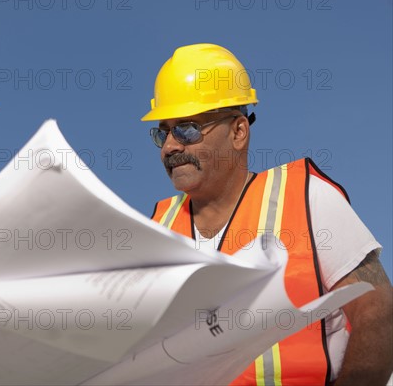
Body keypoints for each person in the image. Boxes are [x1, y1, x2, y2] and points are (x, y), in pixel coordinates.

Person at [142, 44, 392, 385]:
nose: (171, 146)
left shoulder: (307, 199)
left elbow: (378, 314)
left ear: (238, 132)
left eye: (188, 129)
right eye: (164, 132)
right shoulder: (156, 229)